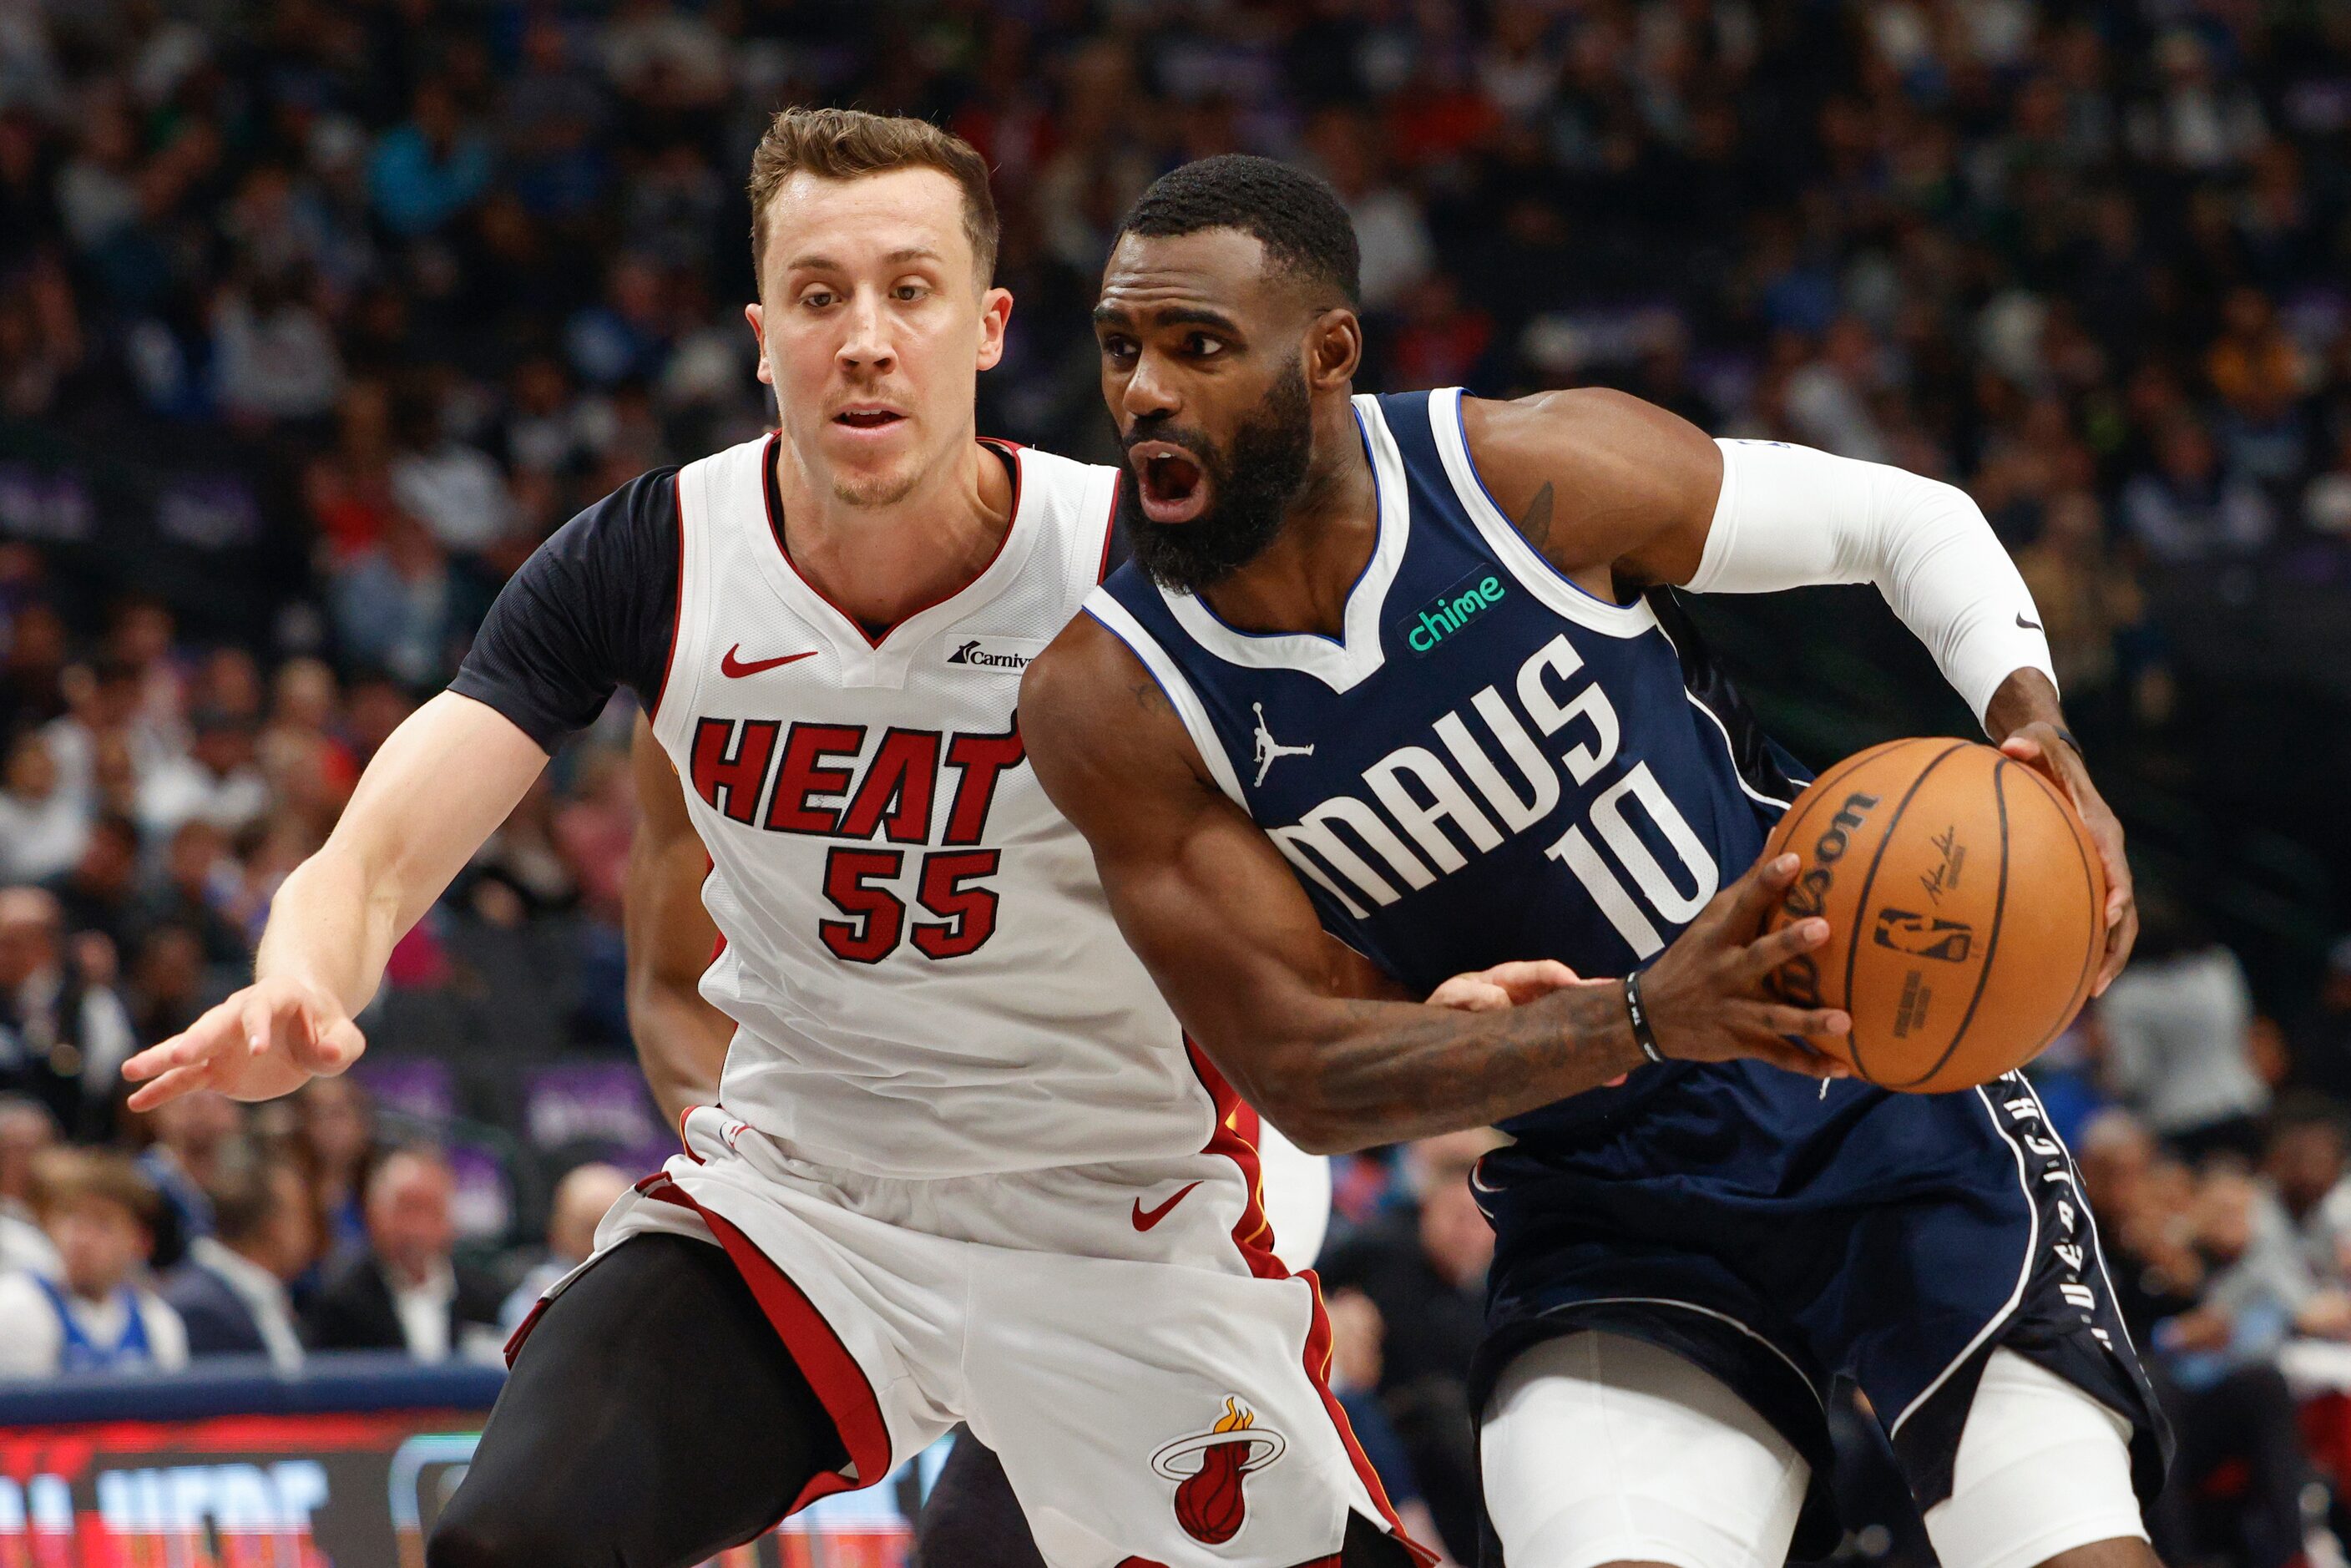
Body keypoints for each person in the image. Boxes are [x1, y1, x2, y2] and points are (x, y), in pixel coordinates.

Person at [122, 109, 1529, 1568]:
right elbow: (381, 849)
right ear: (758, 333)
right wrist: (304, 968)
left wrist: (1447, 978)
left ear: (984, 327)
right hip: (815, 1206)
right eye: (819, 294)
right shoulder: (655, 558)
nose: (864, 337)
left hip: (1115, 1215)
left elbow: (1384, 796)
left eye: (908, 291)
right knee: (509, 1538)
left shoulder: (1140, 562)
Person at [1021, 154, 2171, 1568]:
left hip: (1885, 1094)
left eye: (1198, 347)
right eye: (1121, 348)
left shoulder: (1519, 473)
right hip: (1610, 1191)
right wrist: (1632, 1020)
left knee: (2066, 1547)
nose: (1144, 392)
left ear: (1325, 356)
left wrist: (2032, 722)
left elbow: (1899, 521)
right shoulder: (1113, 698)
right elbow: (1299, 1073)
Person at [304, 1144, 503, 1360]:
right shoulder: (341, 1303)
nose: (416, 1228)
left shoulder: (487, 1301)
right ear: (372, 1213)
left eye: (430, 1210)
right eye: (405, 1209)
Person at [0, 1147, 187, 1377]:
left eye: (102, 1224)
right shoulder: (17, 1305)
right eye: (71, 1217)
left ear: (140, 1242)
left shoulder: (158, 1323)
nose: (81, 1239)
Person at [163, 1153, 316, 1368]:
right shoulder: (200, 1311)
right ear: (275, 1227)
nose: (311, 1231)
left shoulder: (265, 1299)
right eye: (303, 1215)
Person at [498, 1160, 634, 1331]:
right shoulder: (537, 1300)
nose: (601, 1242)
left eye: (616, 1229)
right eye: (590, 1228)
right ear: (557, 1231)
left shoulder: (650, 1290)